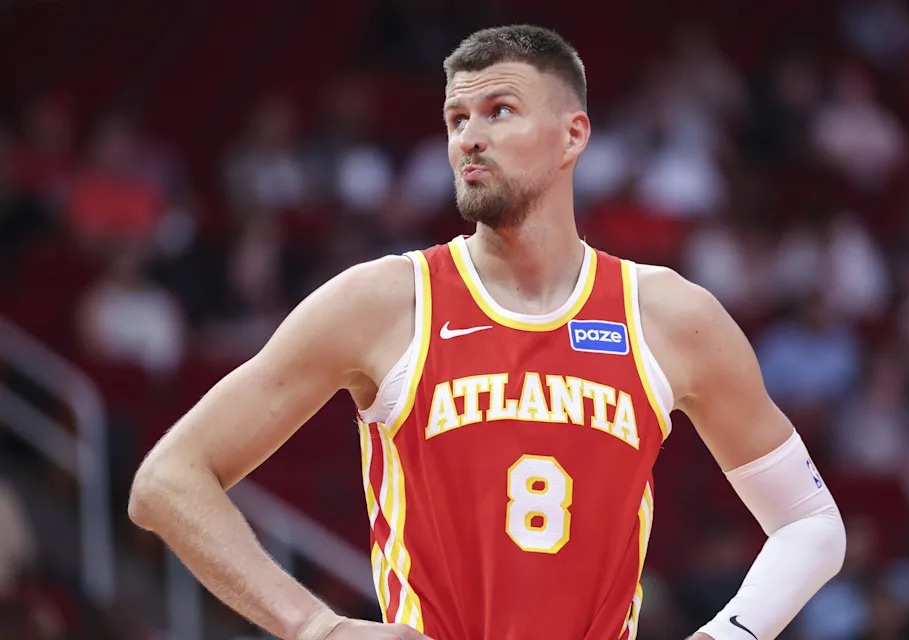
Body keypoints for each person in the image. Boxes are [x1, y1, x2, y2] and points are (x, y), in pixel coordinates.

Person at [128, 25, 846, 640]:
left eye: (500, 111)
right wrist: (315, 626)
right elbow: (167, 481)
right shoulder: (384, 302)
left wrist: (727, 633)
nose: (470, 137)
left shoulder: (669, 316)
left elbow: (810, 522)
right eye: (456, 119)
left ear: (572, 136)